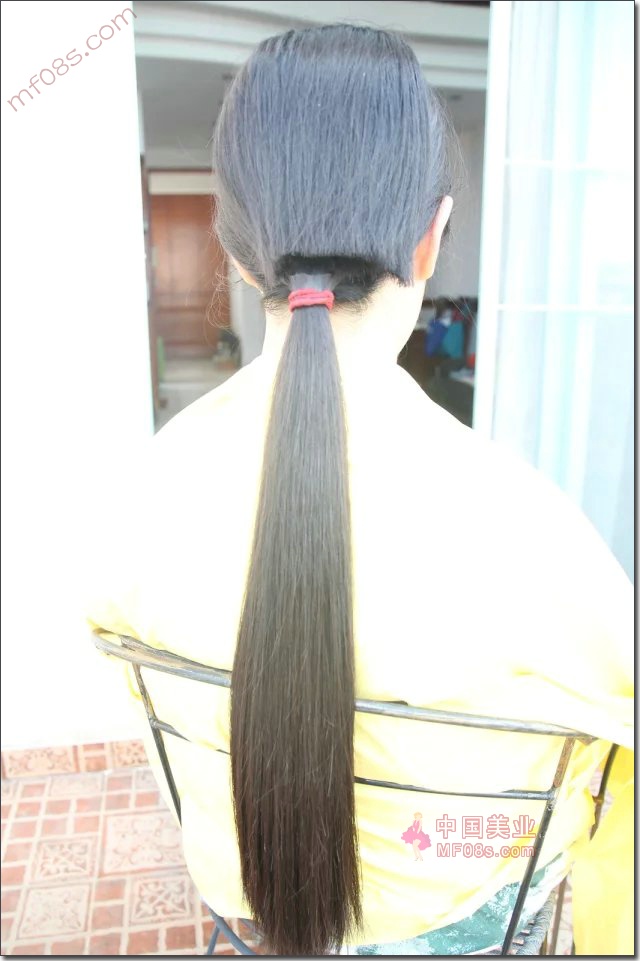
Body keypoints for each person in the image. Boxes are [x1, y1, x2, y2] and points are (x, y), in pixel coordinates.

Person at [85, 23, 633, 957]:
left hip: (240, 881)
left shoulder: (143, 493)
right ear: (431, 240)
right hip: (454, 912)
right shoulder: (536, 532)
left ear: (240, 251)